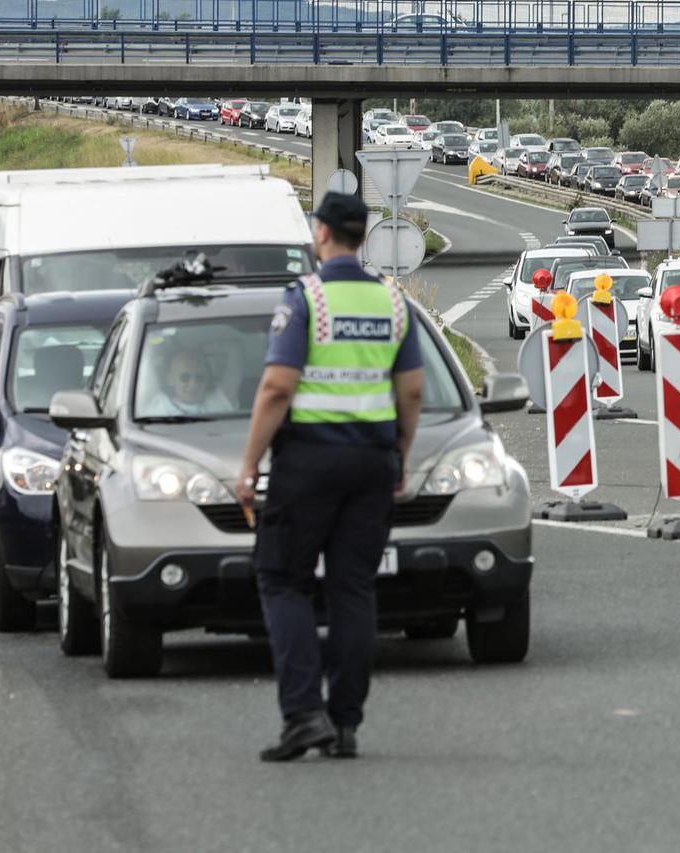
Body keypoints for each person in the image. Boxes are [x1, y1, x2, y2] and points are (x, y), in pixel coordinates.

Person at [237, 191, 424, 763]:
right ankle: (344, 724)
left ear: (321, 233)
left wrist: (248, 464)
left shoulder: (307, 299)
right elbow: (412, 390)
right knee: (353, 588)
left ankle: (302, 716)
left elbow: (276, 388)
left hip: (309, 460)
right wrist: (401, 453)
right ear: (364, 237)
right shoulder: (394, 302)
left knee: (283, 580)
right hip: (372, 462)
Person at [149, 348, 234, 416]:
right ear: (170, 380)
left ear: (207, 379)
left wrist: (202, 348)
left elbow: (233, 350)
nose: (193, 384)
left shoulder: (218, 400)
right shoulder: (160, 405)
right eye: (185, 377)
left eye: (200, 377)